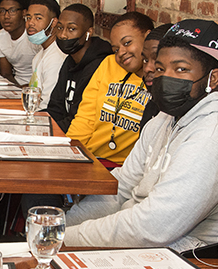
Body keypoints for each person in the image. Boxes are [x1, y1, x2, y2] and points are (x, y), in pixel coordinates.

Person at [66, 19, 218, 250]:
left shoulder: (216, 135)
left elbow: (153, 227)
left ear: (212, 79)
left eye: (181, 69)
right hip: (134, 237)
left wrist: (65, 239)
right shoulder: (165, 117)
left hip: (180, 255)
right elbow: (120, 188)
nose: (165, 77)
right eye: (161, 68)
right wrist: (61, 228)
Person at [65, 11, 154, 166]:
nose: (121, 53)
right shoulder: (108, 64)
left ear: (148, 37)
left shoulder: (158, 79)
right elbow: (86, 117)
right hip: (90, 157)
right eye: (116, 49)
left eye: (127, 43)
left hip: (127, 168)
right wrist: (68, 152)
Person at [46, 3, 113, 132]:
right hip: (62, 131)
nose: (63, 35)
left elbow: (81, 119)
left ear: (88, 32)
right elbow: (55, 107)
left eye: (71, 29)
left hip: (80, 135)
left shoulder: (99, 66)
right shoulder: (70, 60)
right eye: (60, 28)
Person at [0, 0, 39, 85]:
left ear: (24, 13)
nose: (6, 16)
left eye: (12, 11)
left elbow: (44, 77)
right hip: (16, 86)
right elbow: (6, 74)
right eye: (2, 11)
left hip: (37, 89)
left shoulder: (33, 36)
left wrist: (26, 91)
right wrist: (18, 90)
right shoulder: (0, 37)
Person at [26, 0, 66, 110]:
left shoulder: (56, 57)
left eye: (38, 18)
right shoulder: (40, 55)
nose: (31, 23)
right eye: (28, 18)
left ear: (53, 23)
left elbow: (47, 105)